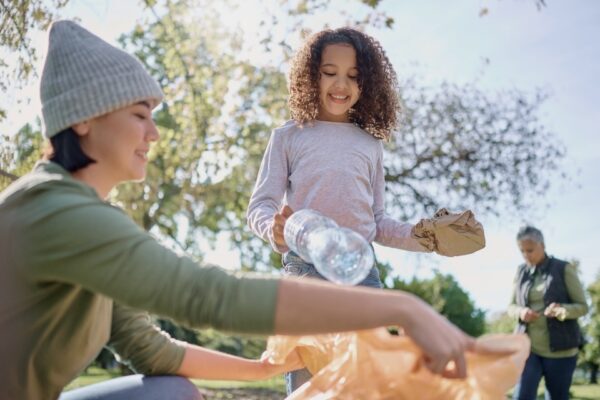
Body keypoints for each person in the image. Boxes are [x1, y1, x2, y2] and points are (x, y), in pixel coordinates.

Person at [0, 21, 474, 400]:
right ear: (83, 118)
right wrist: (403, 306)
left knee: (174, 391)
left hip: (358, 275)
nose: (155, 133)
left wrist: (264, 368)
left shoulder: (86, 220)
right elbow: (208, 293)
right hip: (306, 270)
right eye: (141, 115)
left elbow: (146, 348)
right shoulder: (61, 213)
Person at [246, 27, 433, 392]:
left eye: (353, 76)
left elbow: (376, 222)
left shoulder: (371, 145)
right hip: (305, 274)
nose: (340, 84)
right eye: (329, 72)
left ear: (368, 84)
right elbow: (260, 206)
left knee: (364, 384)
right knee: (307, 386)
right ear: (310, 76)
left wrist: (423, 237)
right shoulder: (287, 137)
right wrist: (274, 229)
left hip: (361, 276)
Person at [508, 226, 588, 400]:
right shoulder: (520, 272)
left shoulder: (563, 269)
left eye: (530, 250)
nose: (526, 255)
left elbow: (583, 306)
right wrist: (521, 312)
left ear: (542, 246)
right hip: (529, 349)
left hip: (562, 352)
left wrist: (562, 310)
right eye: (522, 251)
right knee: (521, 396)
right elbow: (511, 306)